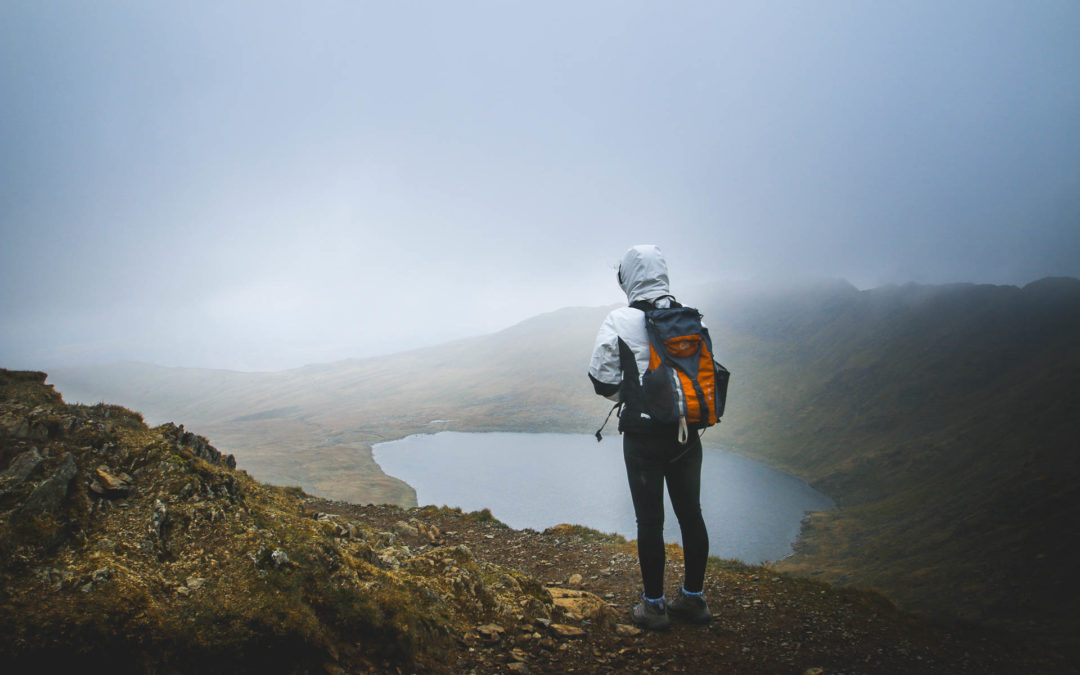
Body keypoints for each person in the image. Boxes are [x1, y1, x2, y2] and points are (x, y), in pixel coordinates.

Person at [588, 244, 712, 630]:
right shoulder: (688, 318)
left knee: (649, 521)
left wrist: (631, 396)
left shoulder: (619, 320)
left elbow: (601, 378)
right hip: (687, 433)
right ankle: (693, 600)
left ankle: (654, 606)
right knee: (691, 515)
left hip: (643, 436)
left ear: (627, 276)